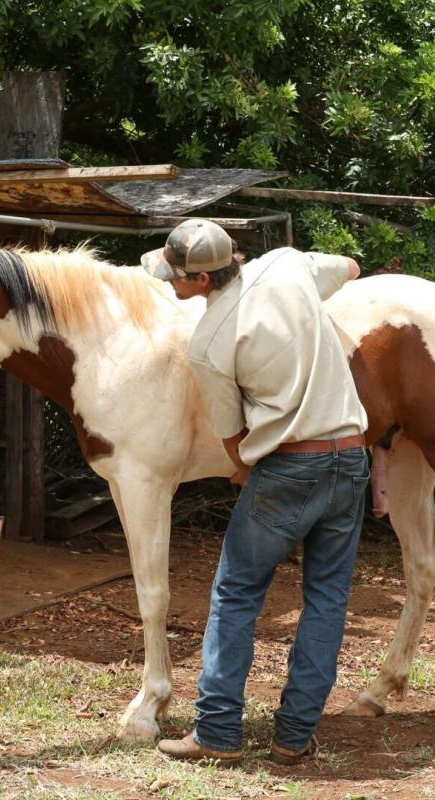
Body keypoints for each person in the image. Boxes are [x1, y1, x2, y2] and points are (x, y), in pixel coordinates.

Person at [141, 218, 369, 765]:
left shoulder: (209, 341)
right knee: (328, 598)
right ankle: (293, 735)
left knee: (237, 592)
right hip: (351, 455)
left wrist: (248, 470)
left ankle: (218, 731)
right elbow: (352, 268)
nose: (170, 284)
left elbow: (234, 438)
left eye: (174, 277)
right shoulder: (287, 265)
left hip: (290, 467)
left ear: (199, 282)